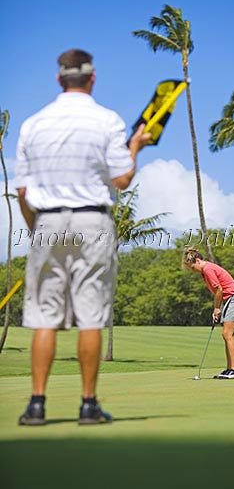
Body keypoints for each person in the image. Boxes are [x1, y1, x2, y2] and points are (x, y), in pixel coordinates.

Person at [14, 49, 151, 425]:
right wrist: (135, 147)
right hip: (93, 222)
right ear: (92, 79)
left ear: (59, 80)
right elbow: (121, 179)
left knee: (44, 316)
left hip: (47, 222)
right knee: (91, 315)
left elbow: (23, 192)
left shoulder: (33, 124)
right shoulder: (107, 120)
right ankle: (88, 405)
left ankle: (36, 405)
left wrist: (35, 229)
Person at [183, 248, 234, 379]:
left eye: (192, 267)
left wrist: (216, 308)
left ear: (197, 261)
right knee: (226, 335)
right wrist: (218, 309)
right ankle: (230, 368)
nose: (193, 270)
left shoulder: (208, 269)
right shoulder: (205, 271)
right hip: (231, 300)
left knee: (227, 334)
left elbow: (219, 289)